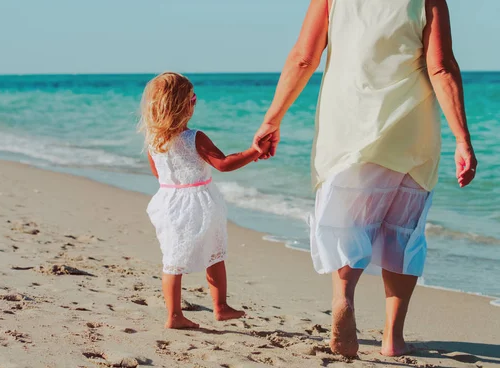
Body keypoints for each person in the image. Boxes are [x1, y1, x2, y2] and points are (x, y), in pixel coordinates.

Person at [253, 0, 477, 357]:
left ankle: (344, 298)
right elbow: (441, 68)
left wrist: (272, 118)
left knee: (349, 226)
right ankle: (393, 338)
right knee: (402, 234)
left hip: (348, 130)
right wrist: (462, 140)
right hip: (411, 133)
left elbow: (303, 58)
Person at [140, 72, 270, 329]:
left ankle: (174, 315)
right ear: (185, 105)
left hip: (167, 203)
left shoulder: (154, 141)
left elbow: (158, 174)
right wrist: (254, 152)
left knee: (172, 260)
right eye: (193, 98)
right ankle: (219, 306)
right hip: (199, 203)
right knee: (214, 253)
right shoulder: (194, 137)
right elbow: (223, 164)